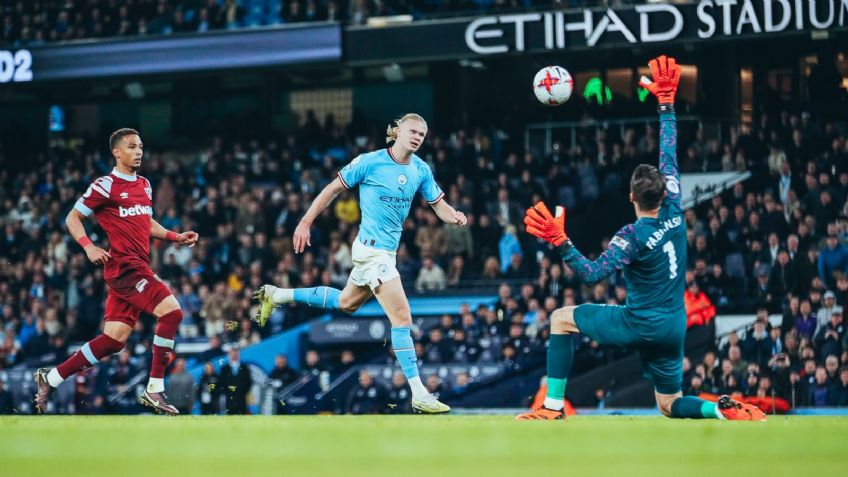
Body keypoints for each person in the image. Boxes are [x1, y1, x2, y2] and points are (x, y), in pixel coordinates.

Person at [517, 56, 764, 421]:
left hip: (641, 323)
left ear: (631, 197)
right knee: (669, 404)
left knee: (560, 319)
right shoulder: (675, 206)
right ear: (662, 192)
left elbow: (590, 274)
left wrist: (562, 242)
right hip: (675, 325)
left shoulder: (631, 236)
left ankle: (552, 407)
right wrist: (666, 105)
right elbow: (669, 150)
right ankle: (718, 411)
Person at [254, 113, 467, 414]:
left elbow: (439, 206)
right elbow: (331, 189)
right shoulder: (370, 162)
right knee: (402, 318)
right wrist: (305, 222)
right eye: (413, 131)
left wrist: (455, 216)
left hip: (385, 254)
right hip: (371, 252)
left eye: (422, 133)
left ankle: (278, 295)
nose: (418, 137)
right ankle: (418, 392)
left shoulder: (421, 169)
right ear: (398, 131)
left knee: (346, 303)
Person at [33, 128, 199, 415]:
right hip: (125, 268)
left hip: (138, 266)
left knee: (113, 341)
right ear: (117, 152)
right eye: (132, 147)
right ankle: (155, 389)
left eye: (141, 147)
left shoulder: (145, 185)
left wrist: (175, 237)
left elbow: (146, 223)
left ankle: (51, 377)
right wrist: (88, 247)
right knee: (172, 312)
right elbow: (72, 218)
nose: (139, 152)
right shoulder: (104, 186)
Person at [220, 347, 253, 415]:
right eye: (232, 354)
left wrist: (243, 392)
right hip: (229, 400)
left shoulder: (244, 368)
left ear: (238, 355)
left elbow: (248, 382)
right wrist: (228, 393)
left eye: (236, 354)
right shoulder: (224, 369)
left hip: (242, 399)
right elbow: (222, 383)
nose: (234, 355)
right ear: (229, 355)